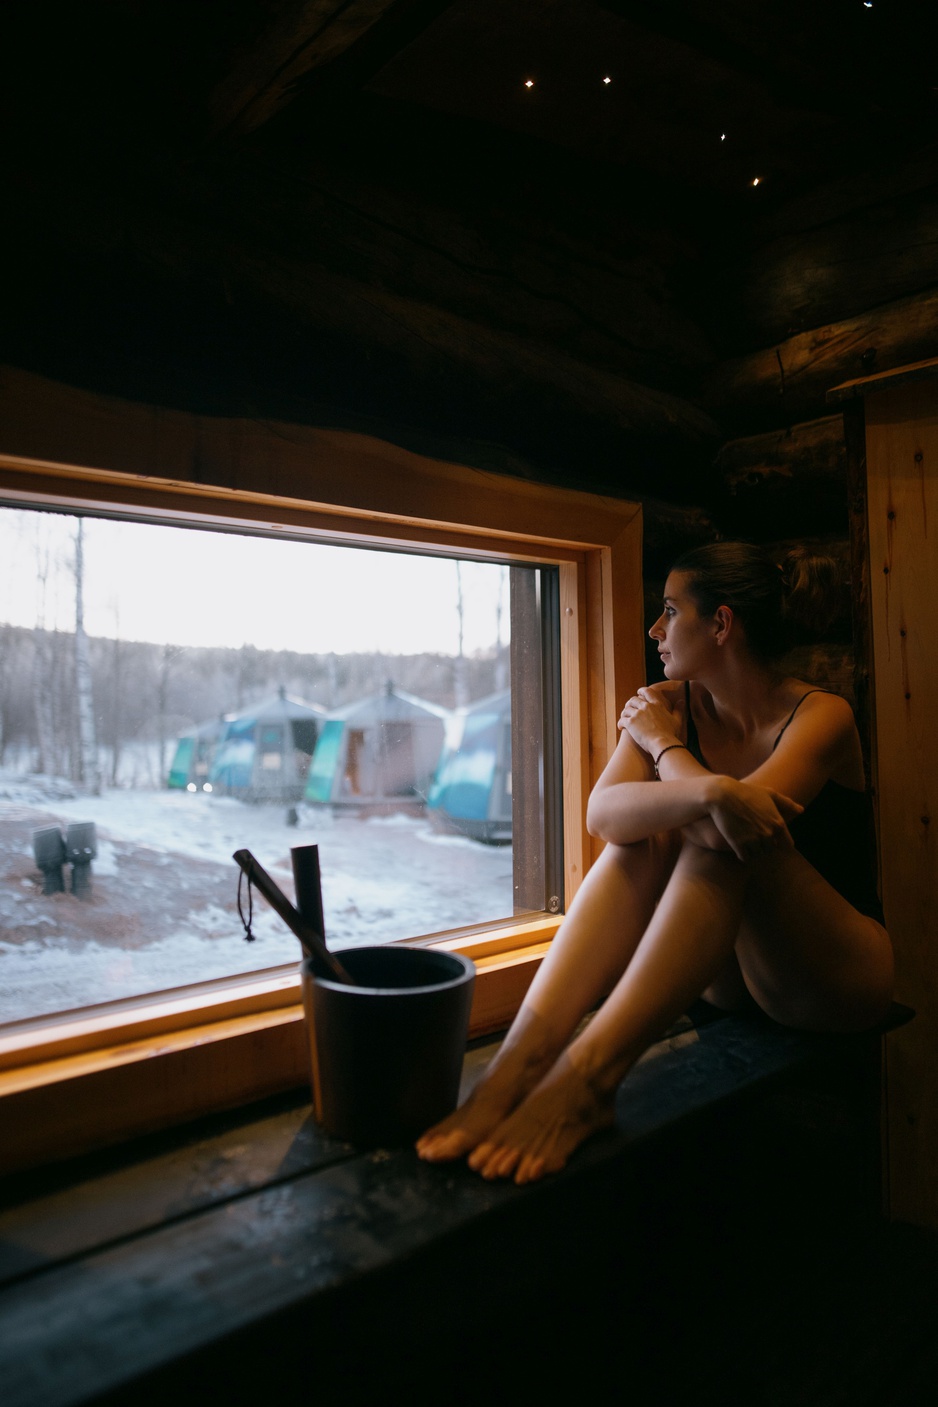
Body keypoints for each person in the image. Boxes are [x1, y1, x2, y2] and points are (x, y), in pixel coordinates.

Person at [416, 541, 894, 1185]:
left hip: (832, 973)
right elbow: (604, 815)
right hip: (726, 979)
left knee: (719, 841)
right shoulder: (668, 705)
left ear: (721, 624)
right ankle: (518, 1068)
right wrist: (709, 787)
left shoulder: (820, 716)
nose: (654, 630)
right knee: (647, 838)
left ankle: (587, 1083)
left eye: (670, 611)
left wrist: (670, 754)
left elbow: (748, 825)